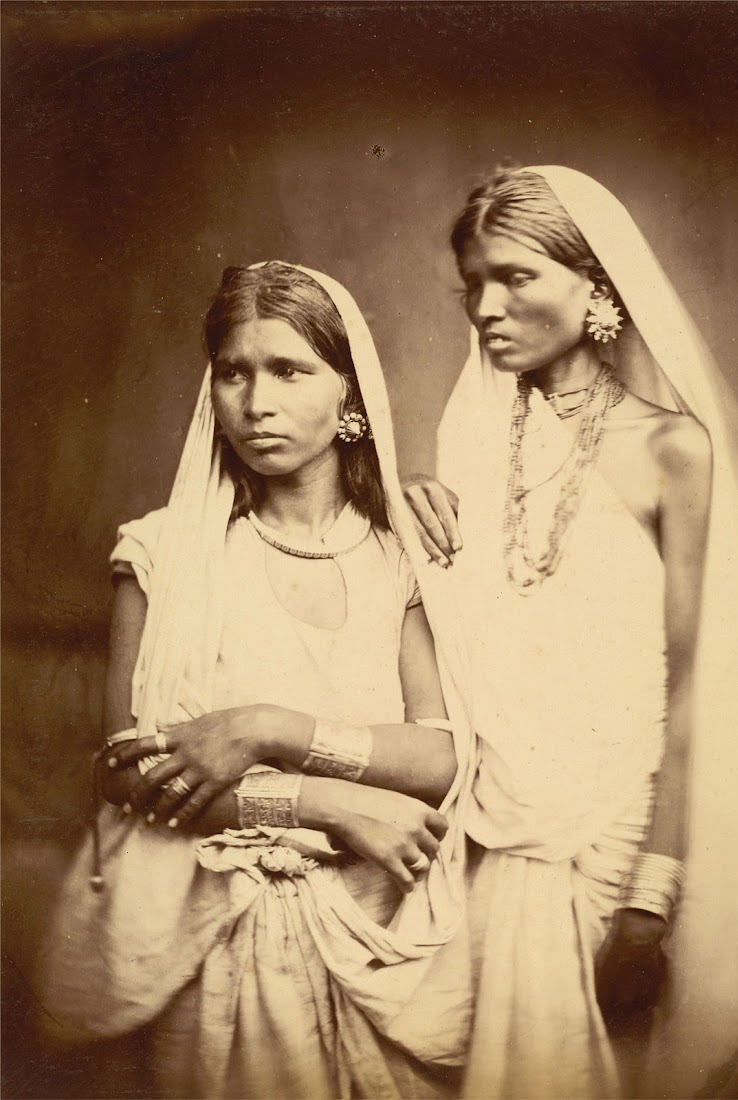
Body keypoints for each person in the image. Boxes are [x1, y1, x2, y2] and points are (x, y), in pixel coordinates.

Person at [403, 166, 738, 1099]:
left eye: (516, 277)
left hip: (615, 837)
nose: (486, 306)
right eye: (473, 283)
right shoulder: (467, 442)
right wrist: (406, 513)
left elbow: (690, 686)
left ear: (595, 286)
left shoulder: (671, 450)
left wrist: (650, 898)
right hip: (487, 828)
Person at [36, 262, 473, 1100]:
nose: (256, 400)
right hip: (205, 936)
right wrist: (323, 802)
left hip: (370, 931)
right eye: (233, 371)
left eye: (289, 370)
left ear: (350, 397)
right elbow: (129, 772)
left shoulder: (397, 558)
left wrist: (271, 729)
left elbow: (441, 757)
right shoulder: (162, 553)